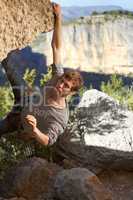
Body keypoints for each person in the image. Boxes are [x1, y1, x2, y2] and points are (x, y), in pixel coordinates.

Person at [21, 3, 83, 146]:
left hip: (27, 135)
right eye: (61, 80)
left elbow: (48, 141)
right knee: (9, 62)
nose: (59, 85)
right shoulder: (58, 77)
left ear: (71, 93)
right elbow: (56, 47)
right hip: (24, 104)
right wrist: (58, 17)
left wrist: (34, 130)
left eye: (66, 86)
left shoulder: (61, 117)